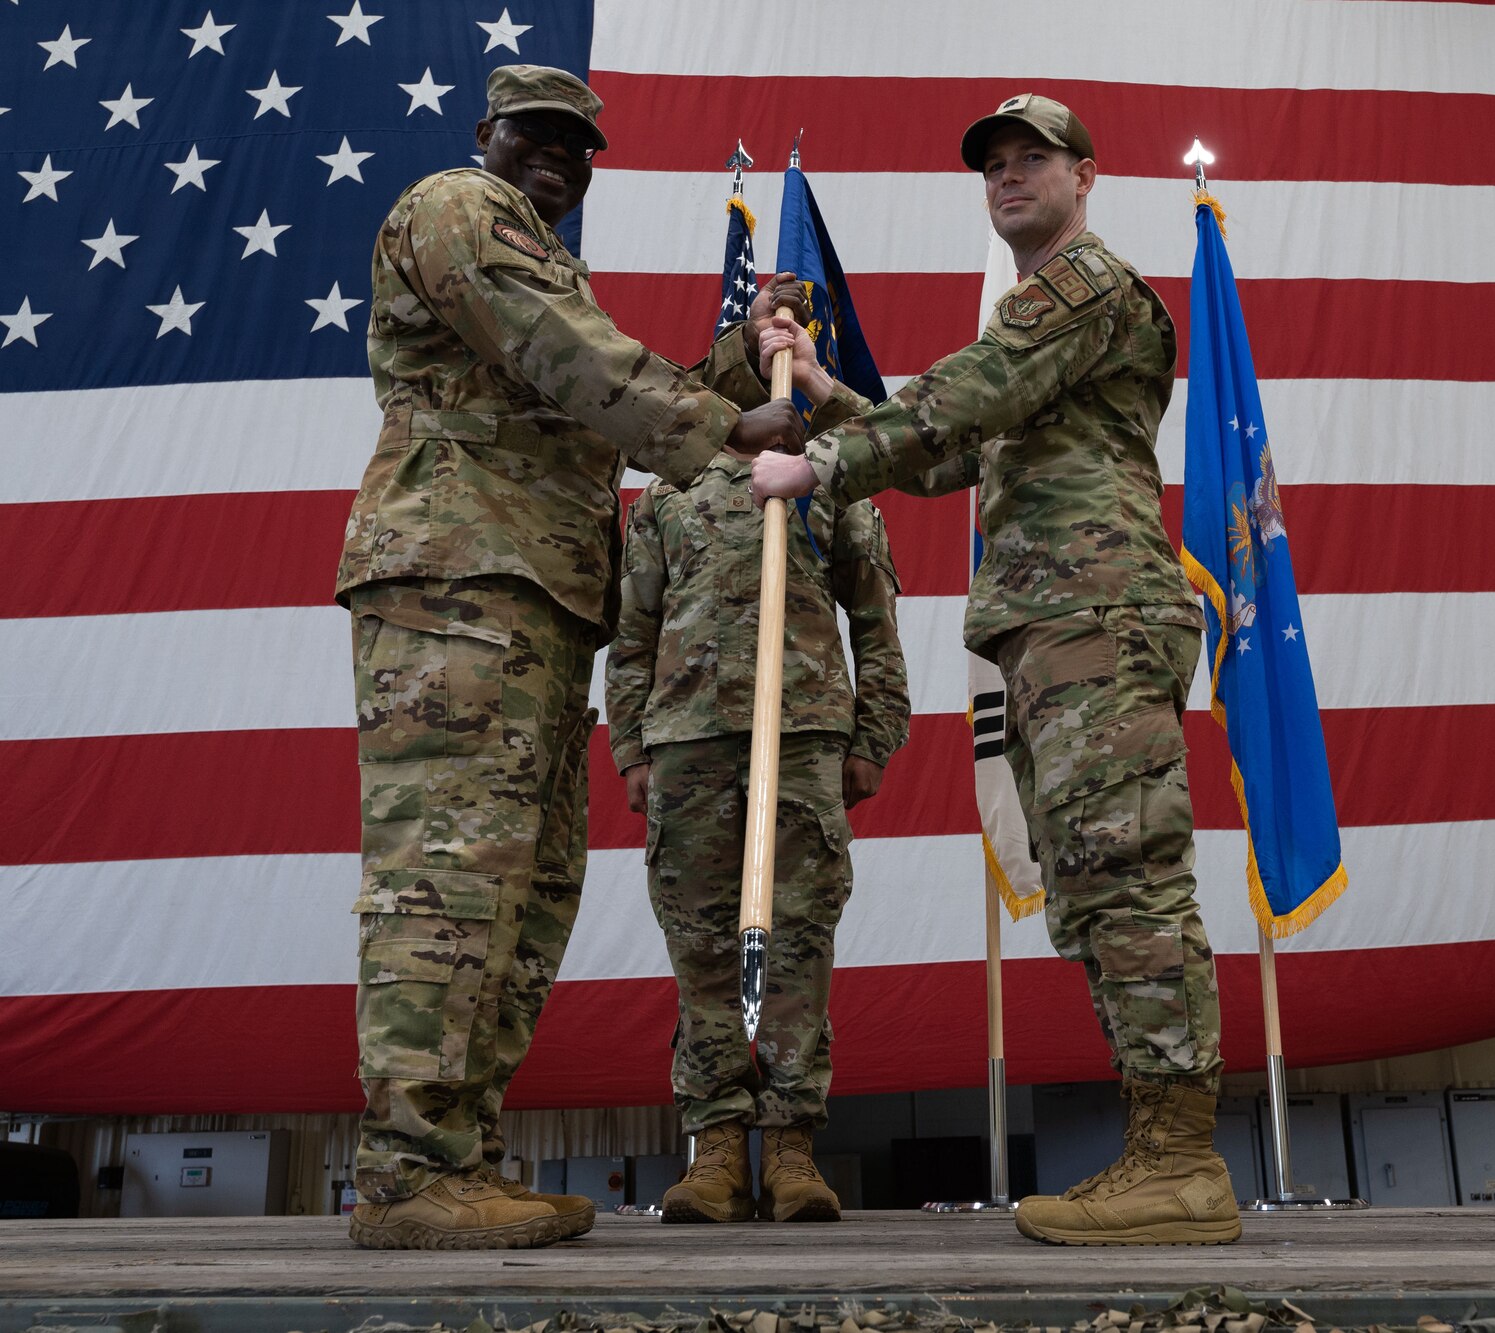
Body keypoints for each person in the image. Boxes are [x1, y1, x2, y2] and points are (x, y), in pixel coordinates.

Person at [752, 93, 1238, 1247]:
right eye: (994, 167)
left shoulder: (1085, 286)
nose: (1009, 177)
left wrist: (814, 464)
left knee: (1125, 873)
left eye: (1034, 160)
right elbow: (952, 453)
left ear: (1086, 177)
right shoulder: (1040, 309)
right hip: (1054, 623)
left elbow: (961, 400)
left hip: (1094, 612)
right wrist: (836, 400)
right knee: (1091, 878)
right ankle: (1160, 1150)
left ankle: (1178, 1159)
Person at [336, 63, 808, 1251]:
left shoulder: (542, 257)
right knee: (445, 877)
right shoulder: (457, 205)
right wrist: (720, 423)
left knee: (522, 888)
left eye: (580, 145)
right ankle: (408, 1171)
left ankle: (458, 1154)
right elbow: (570, 355)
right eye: (536, 134)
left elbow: (595, 395)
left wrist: (741, 367)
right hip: (458, 578)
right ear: (484, 132)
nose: (560, 157)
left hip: (529, 594)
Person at [605, 332, 909, 1224]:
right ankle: (713, 1153)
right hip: (689, 744)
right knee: (702, 947)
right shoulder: (667, 496)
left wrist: (874, 736)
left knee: (798, 945)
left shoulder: (829, 481)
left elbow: (877, 622)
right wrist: (631, 747)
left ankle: (789, 1147)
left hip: (807, 735)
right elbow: (633, 636)